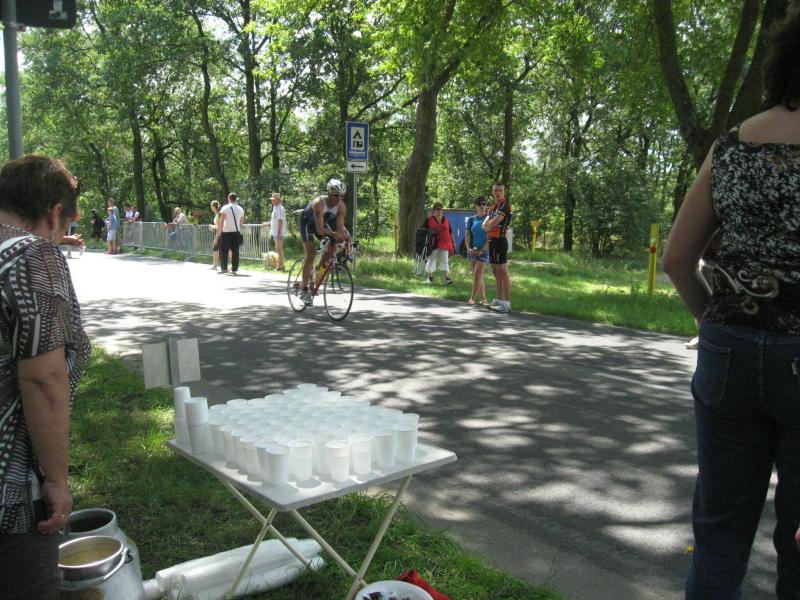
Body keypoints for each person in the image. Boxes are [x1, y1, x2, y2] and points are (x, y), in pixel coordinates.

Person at [662, 8, 800, 598]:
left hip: (728, 352)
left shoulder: (730, 147)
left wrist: (718, 325)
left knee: (718, 535)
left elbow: (677, 259)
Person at [0, 155, 91, 600]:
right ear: (54, 213)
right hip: (10, 491)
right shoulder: (34, 255)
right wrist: (56, 480)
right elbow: (43, 379)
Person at [298, 179, 348, 305]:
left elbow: (340, 229)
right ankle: (304, 290)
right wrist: (334, 234)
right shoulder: (319, 203)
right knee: (311, 253)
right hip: (307, 223)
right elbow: (320, 230)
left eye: (342, 195)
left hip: (322, 224)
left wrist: (344, 239)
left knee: (332, 249)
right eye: (336, 195)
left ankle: (316, 273)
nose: (339, 198)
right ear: (329, 194)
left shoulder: (341, 206)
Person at [483, 183, 512, 313]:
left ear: (504, 191)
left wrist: (489, 225)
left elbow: (494, 223)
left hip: (500, 241)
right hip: (491, 241)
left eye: (500, 190)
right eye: (495, 191)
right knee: (496, 272)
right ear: (492, 192)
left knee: (503, 273)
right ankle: (500, 300)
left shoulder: (505, 205)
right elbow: (484, 224)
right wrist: (488, 225)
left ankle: (506, 303)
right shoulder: (493, 207)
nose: (498, 193)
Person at [465, 196, 489, 305]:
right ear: (476, 206)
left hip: (484, 251)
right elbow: (467, 235)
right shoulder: (471, 219)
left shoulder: (488, 219)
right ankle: (484, 299)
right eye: (480, 204)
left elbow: (490, 237)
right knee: (478, 276)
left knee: (477, 275)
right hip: (472, 251)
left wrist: (482, 250)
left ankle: (472, 299)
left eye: (484, 204)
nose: (482, 206)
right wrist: (468, 248)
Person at [214, 192, 245, 275]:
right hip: (236, 232)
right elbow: (241, 223)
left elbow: (221, 222)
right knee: (235, 251)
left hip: (226, 232)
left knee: (223, 250)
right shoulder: (241, 209)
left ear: (229, 198)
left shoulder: (225, 208)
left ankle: (224, 268)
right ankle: (234, 269)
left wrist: (218, 235)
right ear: (235, 199)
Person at [424, 202, 454, 285]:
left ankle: (446, 278)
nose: (440, 210)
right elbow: (424, 231)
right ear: (434, 210)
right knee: (431, 259)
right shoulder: (429, 220)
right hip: (433, 243)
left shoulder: (446, 220)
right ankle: (429, 277)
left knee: (445, 260)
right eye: (438, 209)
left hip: (445, 243)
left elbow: (450, 232)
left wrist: (453, 242)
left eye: (441, 209)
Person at [269, 191, 286, 271]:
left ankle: (281, 266)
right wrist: (267, 223)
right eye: (272, 200)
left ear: (278, 200)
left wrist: (279, 233)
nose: (272, 201)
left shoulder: (280, 208)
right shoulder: (275, 208)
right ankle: (280, 265)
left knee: (279, 249)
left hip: (279, 232)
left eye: (273, 199)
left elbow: (280, 220)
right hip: (276, 232)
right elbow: (274, 220)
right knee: (278, 249)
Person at [210, 200, 221, 271]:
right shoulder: (218, 213)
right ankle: (233, 264)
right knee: (227, 249)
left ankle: (214, 265)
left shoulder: (218, 214)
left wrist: (213, 226)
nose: (211, 208)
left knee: (215, 249)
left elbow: (218, 227)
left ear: (213, 207)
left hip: (219, 233)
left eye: (211, 206)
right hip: (220, 233)